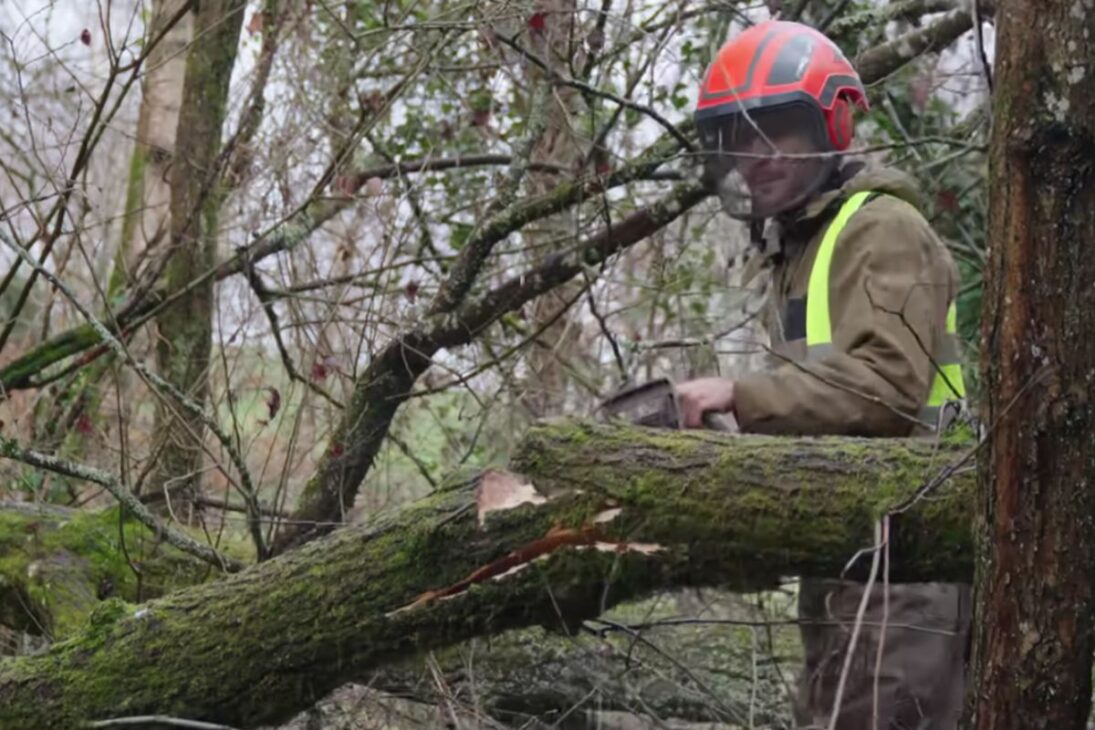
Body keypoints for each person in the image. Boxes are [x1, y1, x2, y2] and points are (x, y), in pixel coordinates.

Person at [675, 20, 971, 729]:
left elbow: (887, 387)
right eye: (741, 137)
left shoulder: (879, 227)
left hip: (907, 554)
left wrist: (740, 395)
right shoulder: (798, 249)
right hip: (847, 549)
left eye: (778, 129)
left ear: (827, 125)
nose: (759, 154)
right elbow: (820, 410)